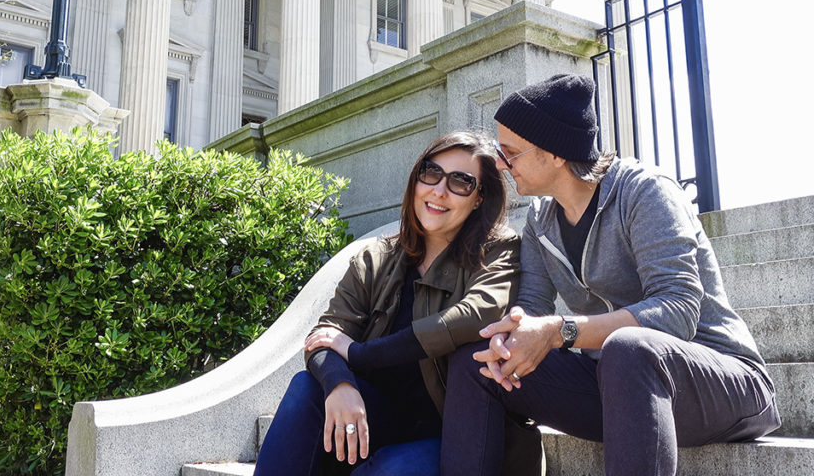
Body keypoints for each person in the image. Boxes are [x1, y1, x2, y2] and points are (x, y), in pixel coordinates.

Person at [443, 73, 781, 476]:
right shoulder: (539, 220)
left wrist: (559, 330)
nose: (500, 163)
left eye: (511, 153)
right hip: (619, 389)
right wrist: (511, 338)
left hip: (721, 384)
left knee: (628, 348)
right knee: (476, 364)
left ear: (554, 153)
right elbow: (532, 309)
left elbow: (678, 310)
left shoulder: (645, 191)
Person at [253, 130, 542, 476]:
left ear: (479, 198)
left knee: (387, 470)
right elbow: (325, 337)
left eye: (460, 182)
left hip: (456, 432)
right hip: (383, 418)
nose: (438, 190)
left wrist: (360, 354)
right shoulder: (377, 258)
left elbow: (474, 315)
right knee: (306, 390)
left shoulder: (497, 250)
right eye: (431, 173)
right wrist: (340, 385)